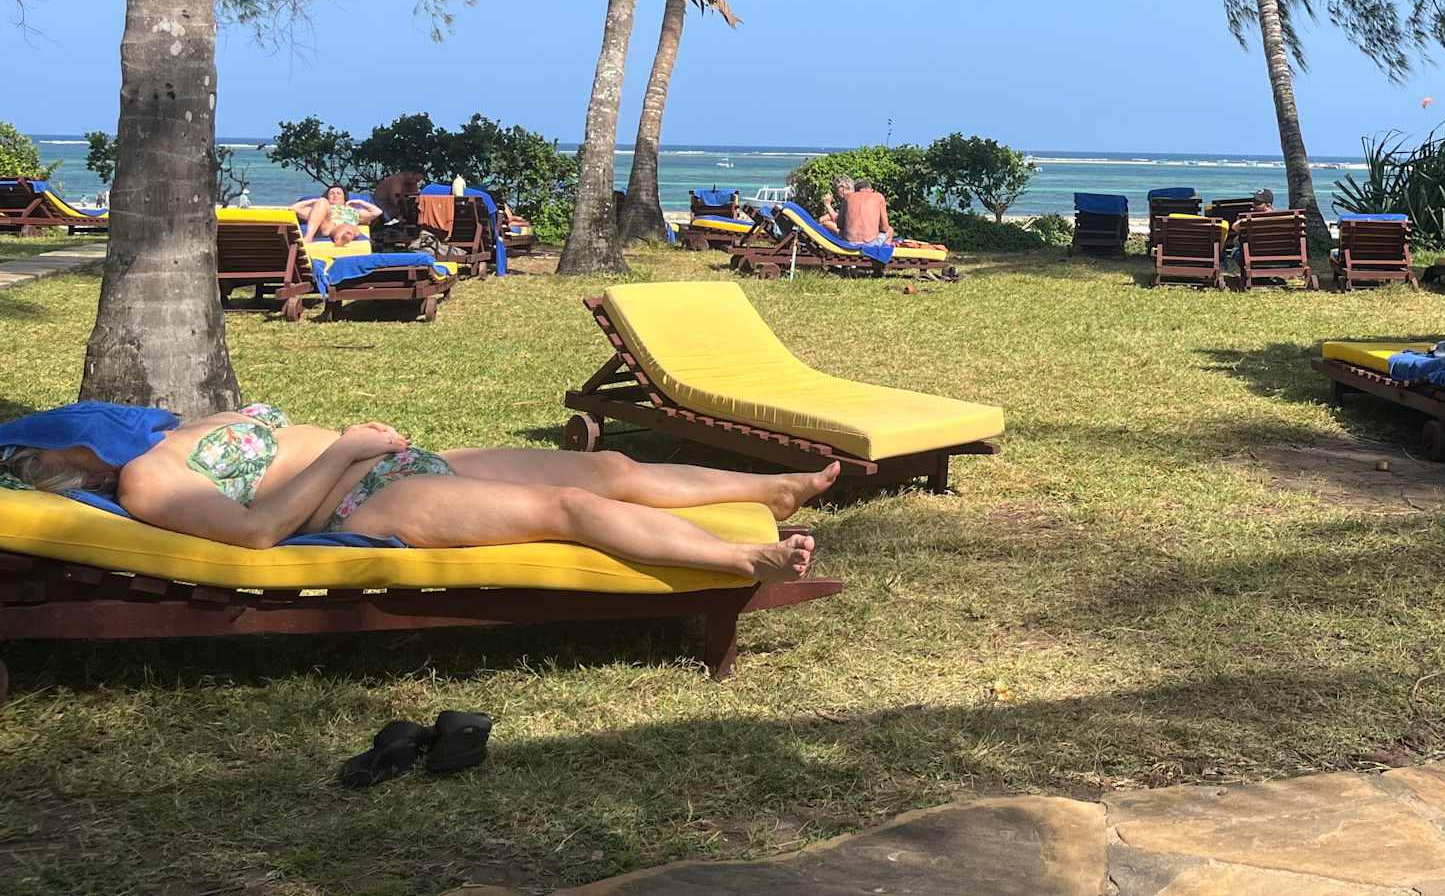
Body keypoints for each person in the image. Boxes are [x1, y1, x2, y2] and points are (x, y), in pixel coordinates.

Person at [0, 401, 826, 583]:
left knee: (610, 469)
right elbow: (257, 533)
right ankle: (743, 558)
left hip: (394, 462)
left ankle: (775, 488)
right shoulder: (145, 478)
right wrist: (347, 451)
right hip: (366, 503)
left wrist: (360, 448)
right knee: (570, 510)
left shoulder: (167, 433)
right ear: (63, 456)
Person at [297, 185, 381, 247]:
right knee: (322, 201)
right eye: (331, 193)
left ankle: (342, 237)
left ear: (344, 198)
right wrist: (314, 201)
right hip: (328, 225)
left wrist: (360, 202)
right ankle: (309, 237)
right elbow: (294, 209)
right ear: (327, 197)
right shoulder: (320, 209)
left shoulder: (354, 210)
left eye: (339, 193)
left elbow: (377, 212)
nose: (335, 195)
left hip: (347, 226)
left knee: (348, 227)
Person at [839, 176, 891, 247]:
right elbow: (885, 227)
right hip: (871, 243)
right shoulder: (879, 197)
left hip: (849, 243)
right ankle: (884, 250)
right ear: (871, 189)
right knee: (890, 230)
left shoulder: (847, 197)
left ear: (856, 190)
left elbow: (840, 224)